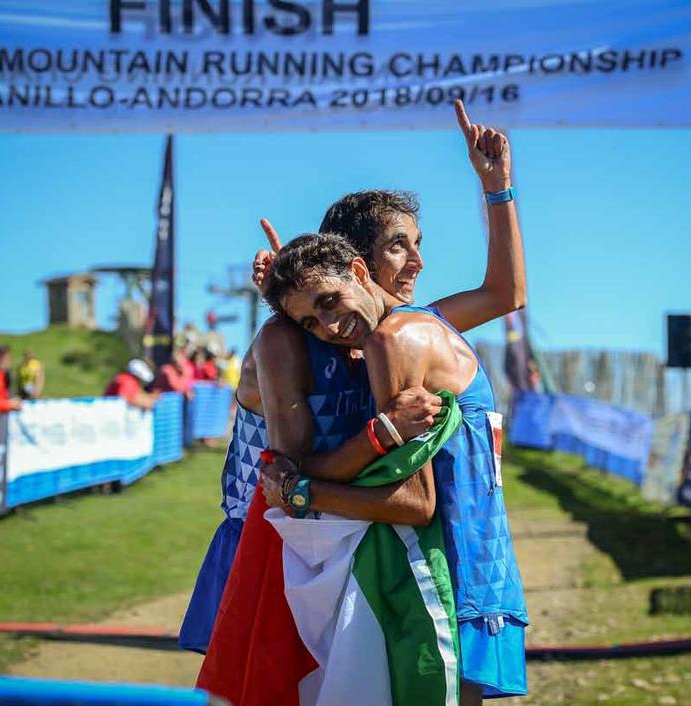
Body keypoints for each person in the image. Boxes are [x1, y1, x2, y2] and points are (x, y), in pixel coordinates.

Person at [194, 101, 526, 705]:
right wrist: (293, 290)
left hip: (420, 541)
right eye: (400, 246)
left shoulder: (410, 331)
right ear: (357, 259)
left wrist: (497, 189)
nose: (418, 261)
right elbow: (274, 445)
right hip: (307, 551)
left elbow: (505, 292)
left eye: (418, 245)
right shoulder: (298, 337)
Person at [262, 233, 529, 703]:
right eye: (309, 321)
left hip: (445, 572)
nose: (327, 326)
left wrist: (299, 494)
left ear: (361, 272)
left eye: (330, 301)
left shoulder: (393, 339)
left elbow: (414, 502)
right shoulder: (419, 325)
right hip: (482, 559)